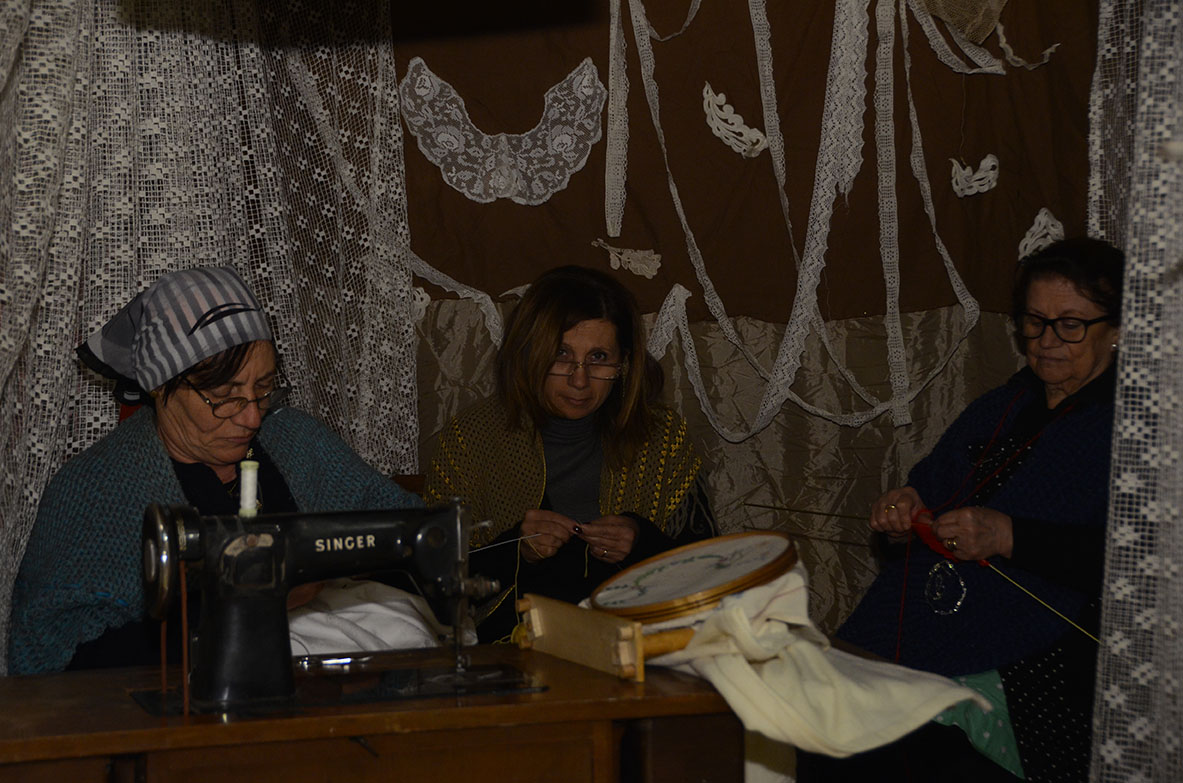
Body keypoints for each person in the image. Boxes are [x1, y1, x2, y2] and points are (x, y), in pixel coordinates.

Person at [797, 237, 1122, 783]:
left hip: (1039, 647)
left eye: (1070, 325)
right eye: (1034, 322)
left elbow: (1134, 566)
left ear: (1117, 330)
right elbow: (926, 495)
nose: (1046, 341)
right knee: (822, 707)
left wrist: (1010, 537)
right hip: (933, 615)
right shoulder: (1002, 405)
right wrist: (904, 512)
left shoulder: (1131, 431)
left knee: (904, 736)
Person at [8, 266, 420, 675]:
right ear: (160, 385)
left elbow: (409, 537)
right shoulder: (95, 490)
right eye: (225, 396)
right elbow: (57, 661)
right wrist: (249, 605)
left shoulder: (297, 443)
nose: (253, 417)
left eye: (263, 388)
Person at [424, 265, 717, 643]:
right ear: (528, 353)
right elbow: (432, 581)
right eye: (561, 354)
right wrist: (516, 549)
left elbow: (707, 568)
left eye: (599, 357)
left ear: (624, 364)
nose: (580, 380)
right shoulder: (471, 438)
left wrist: (642, 541)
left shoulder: (661, 437)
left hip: (637, 646)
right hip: (511, 652)